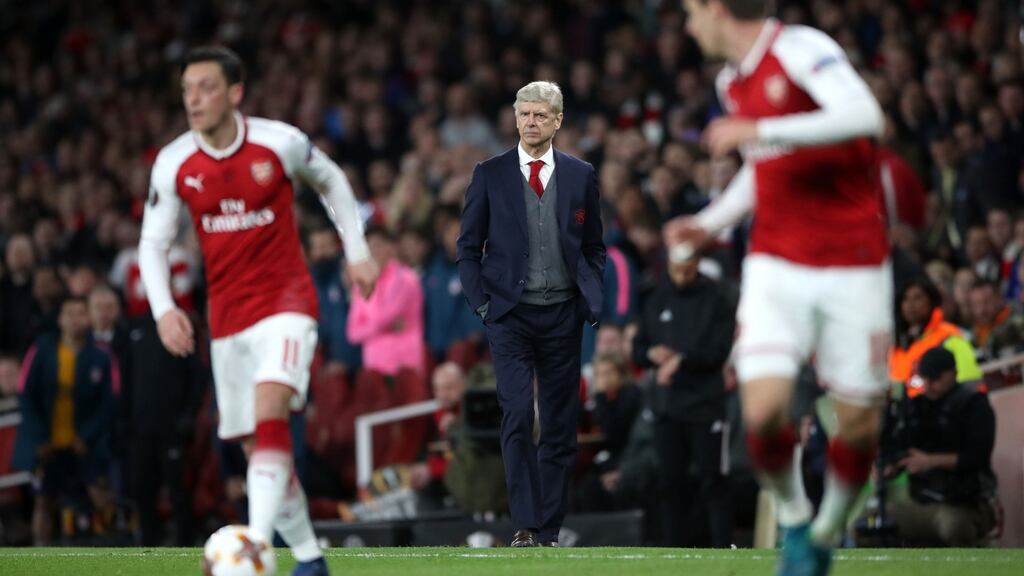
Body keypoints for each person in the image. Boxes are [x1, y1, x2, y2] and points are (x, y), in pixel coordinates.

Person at [668, 1, 891, 573]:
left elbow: (864, 114)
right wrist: (712, 222)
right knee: (763, 412)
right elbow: (763, 166)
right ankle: (795, 520)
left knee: (859, 431)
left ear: (716, 8)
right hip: (775, 263)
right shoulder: (730, 83)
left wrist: (761, 126)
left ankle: (826, 529)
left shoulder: (799, 48)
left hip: (854, 262)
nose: (687, 26)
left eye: (691, 12)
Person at [139, 46, 377, 575]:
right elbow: (152, 243)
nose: (193, 98)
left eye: (204, 87)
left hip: (287, 303)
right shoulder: (174, 162)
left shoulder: (280, 142)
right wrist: (163, 310)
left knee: (272, 414)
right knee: (258, 449)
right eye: (186, 90)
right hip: (226, 320)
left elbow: (332, 180)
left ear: (234, 92)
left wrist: (357, 252)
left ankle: (251, 549)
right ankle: (311, 558)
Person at [457, 81, 606, 547]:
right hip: (511, 317)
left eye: (541, 115)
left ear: (558, 121)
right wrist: (484, 305)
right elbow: (466, 248)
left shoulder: (581, 175)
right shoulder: (489, 173)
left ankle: (549, 529)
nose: (531, 122)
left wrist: (588, 297)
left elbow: (595, 245)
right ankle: (524, 525)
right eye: (524, 114)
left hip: (563, 314)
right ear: (515, 118)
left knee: (560, 424)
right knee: (517, 415)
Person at [632, 253, 736, 547]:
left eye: (688, 263)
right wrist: (651, 354)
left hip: (706, 404)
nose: (682, 271)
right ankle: (673, 549)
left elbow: (719, 350)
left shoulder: (717, 299)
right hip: (667, 406)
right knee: (669, 482)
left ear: (697, 263)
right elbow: (639, 348)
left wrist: (682, 360)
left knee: (713, 480)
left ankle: (722, 546)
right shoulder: (657, 298)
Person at [12, 296, 117, 545]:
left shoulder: (101, 356)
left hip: (84, 443)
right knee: (43, 501)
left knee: (99, 497)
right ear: (60, 319)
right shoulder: (41, 349)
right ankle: (41, 555)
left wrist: (87, 436)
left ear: (89, 318)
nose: (75, 319)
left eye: (80, 313)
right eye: (69, 314)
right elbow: (25, 395)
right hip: (48, 443)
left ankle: (109, 550)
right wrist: (39, 437)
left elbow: (109, 403)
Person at [884, 346, 998, 546]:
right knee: (869, 522)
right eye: (924, 378)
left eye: (936, 378)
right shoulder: (914, 407)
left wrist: (929, 461)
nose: (929, 385)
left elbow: (976, 457)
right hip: (920, 502)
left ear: (953, 373)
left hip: (964, 503)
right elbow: (902, 448)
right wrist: (890, 467)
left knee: (953, 526)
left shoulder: (973, 404)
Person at [346, 225, 426, 377]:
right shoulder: (361, 285)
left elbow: (385, 316)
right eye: (369, 246)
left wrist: (369, 326)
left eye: (378, 245)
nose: (374, 251)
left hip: (406, 365)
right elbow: (352, 333)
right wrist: (383, 326)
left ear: (391, 247)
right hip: (374, 365)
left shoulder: (406, 278)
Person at [889, 278, 981, 399]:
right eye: (905, 299)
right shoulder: (897, 346)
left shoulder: (949, 337)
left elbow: (970, 384)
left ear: (931, 301)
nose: (910, 304)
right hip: (908, 413)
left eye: (918, 298)